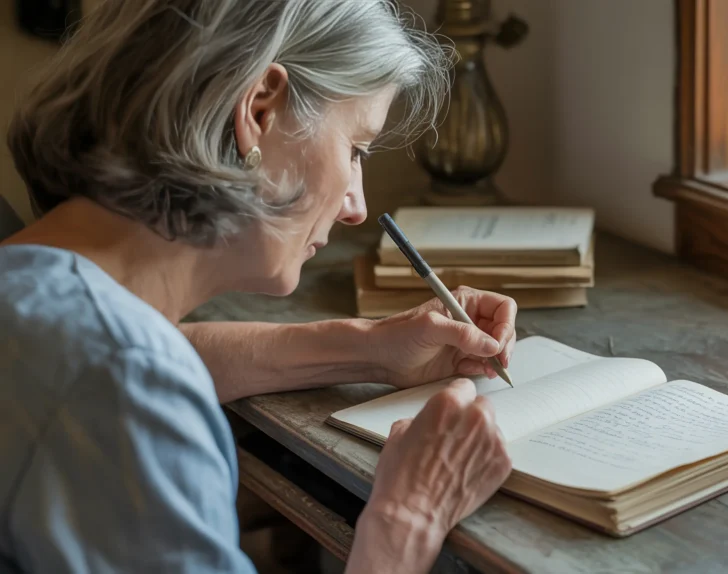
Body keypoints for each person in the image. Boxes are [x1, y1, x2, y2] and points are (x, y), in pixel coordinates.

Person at [0, 1, 517, 572]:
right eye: (356, 150)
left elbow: (131, 350)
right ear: (261, 110)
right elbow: (123, 368)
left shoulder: (40, 292)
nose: (356, 207)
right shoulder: (121, 379)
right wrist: (408, 518)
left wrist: (369, 349)